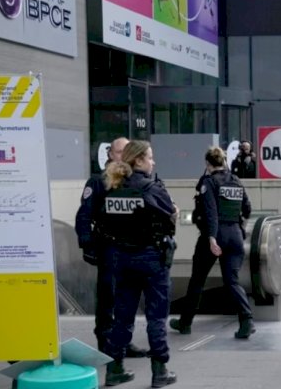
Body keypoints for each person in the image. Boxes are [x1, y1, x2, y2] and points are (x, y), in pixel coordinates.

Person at [99, 141, 177, 387]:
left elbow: (104, 223)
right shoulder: (151, 188)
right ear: (139, 160)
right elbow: (170, 217)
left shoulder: (113, 187)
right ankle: (159, 371)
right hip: (151, 259)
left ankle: (115, 369)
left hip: (123, 258)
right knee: (156, 316)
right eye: (150, 158)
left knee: (122, 317)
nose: (153, 162)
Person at [170, 147, 254, 339]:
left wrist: (212, 238)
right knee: (232, 281)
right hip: (235, 235)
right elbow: (247, 208)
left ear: (207, 164)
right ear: (224, 161)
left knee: (197, 280)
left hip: (215, 235)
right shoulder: (236, 181)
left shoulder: (209, 182)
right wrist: (239, 226)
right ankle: (246, 320)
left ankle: (185, 323)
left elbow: (210, 212)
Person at [74, 137, 148, 358]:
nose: (123, 156)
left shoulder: (135, 181)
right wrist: (87, 244)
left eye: (127, 152)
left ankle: (123, 340)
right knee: (108, 296)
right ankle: (105, 341)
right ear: (110, 155)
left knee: (127, 298)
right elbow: (84, 215)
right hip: (109, 248)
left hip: (131, 248)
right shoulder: (98, 182)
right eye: (119, 152)